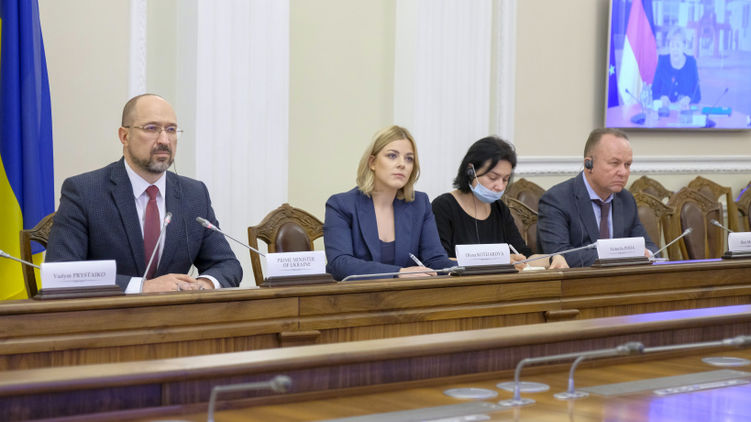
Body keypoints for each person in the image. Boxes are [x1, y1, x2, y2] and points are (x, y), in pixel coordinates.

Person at [46, 94, 242, 292]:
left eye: (171, 130)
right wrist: (141, 286)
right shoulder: (84, 191)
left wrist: (203, 284)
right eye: (151, 128)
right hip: (111, 311)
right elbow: (61, 273)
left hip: (178, 311)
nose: (164, 140)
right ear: (124, 136)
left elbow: (227, 264)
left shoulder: (194, 194)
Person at [324, 125, 455, 281]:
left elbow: (435, 260)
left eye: (409, 158)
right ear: (372, 162)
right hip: (358, 294)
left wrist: (474, 266)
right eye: (392, 156)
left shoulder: (420, 204)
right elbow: (340, 264)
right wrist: (399, 272)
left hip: (409, 294)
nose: (402, 164)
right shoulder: (341, 205)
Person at [431, 136, 567, 269]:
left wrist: (552, 258)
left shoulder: (499, 208)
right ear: (470, 171)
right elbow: (439, 261)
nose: (500, 186)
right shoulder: (443, 207)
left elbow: (524, 256)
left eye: (505, 179)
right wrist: (498, 261)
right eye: (493, 177)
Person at [537, 128, 658, 267]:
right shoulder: (557, 200)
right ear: (589, 164)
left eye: (627, 164)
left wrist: (647, 253)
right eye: (615, 163)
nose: (623, 172)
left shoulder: (626, 199)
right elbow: (558, 255)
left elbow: (651, 247)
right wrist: (623, 255)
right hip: (579, 279)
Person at [652, 26, 701, 108]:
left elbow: (697, 95)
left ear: (684, 46)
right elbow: (653, 92)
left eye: (678, 46)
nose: (675, 49)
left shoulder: (691, 63)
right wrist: (661, 97)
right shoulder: (662, 62)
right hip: (665, 112)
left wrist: (689, 99)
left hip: (684, 112)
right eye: (672, 46)